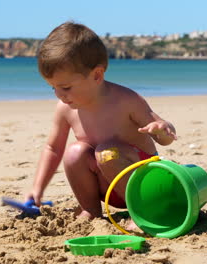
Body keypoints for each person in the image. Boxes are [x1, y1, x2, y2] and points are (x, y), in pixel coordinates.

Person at [25, 22, 177, 219]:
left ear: (97, 75)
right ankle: (91, 210)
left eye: (66, 87)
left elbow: (166, 139)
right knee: (74, 152)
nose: (59, 95)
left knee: (106, 151)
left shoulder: (126, 100)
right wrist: (37, 188)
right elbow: (53, 149)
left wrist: (161, 129)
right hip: (105, 189)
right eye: (53, 88)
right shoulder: (66, 109)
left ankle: (143, 212)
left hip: (142, 185)